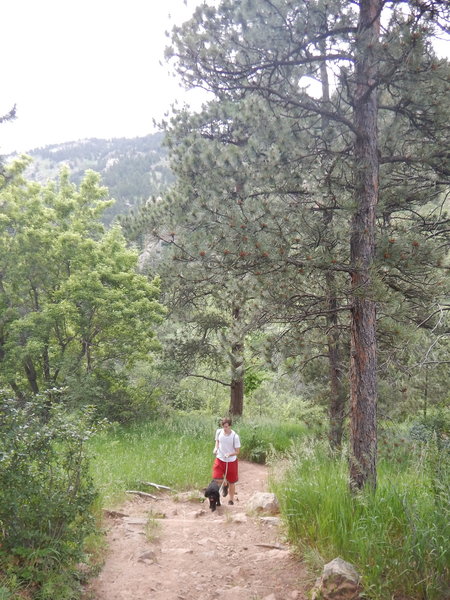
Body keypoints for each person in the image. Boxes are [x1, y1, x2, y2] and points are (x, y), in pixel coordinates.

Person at [212, 417, 241, 505]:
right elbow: (217, 441)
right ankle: (225, 485)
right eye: (224, 426)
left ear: (230, 426)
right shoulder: (219, 432)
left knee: (232, 481)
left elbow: (237, 451)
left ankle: (231, 500)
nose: (225, 428)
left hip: (231, 461)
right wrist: (216, 448)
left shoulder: (235, 437)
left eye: (227, 427)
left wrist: (230, 454)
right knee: (217, 478)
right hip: (220, 458)